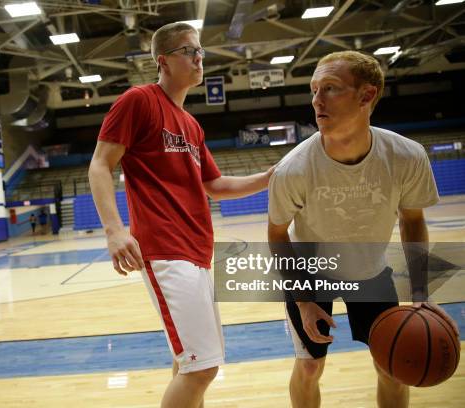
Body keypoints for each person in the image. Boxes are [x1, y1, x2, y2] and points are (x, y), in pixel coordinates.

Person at [88, 22, 274, 408]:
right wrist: (114, 230)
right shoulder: (138, 100)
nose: (199, 57)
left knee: (190, 364)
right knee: (202, 368)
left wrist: (271, 177)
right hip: (165, 249)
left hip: (199, 253)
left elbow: (217, 185)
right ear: (164, 61)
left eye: (200, 50)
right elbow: (100, 165)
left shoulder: (191, 125)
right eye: (190, 51)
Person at [267, 50, 460, 408]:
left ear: (367, 95)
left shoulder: (406, 156)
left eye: (330, 88)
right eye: (314, 89)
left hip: (370, 274)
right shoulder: (292, 168)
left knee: (390, 366)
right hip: (310, 276)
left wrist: (420, 293)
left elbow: (412, 220)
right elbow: (277, 235)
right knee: (309, 367)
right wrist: (304, 303)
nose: (316, 100)